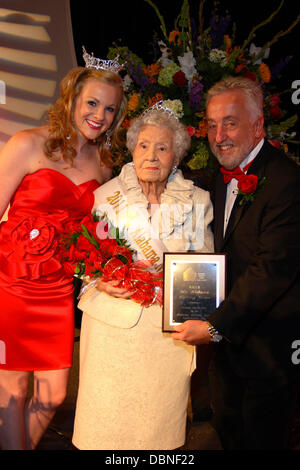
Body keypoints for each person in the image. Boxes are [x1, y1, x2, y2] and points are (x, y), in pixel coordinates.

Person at [0, 50, 127, 450]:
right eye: (92, 103)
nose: (99, 115)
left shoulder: (103, 165)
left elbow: (93, 235)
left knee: (53, 397)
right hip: (10, 287)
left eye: (110, 109)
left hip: (57, 291)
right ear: (72, 99)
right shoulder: (27, 144)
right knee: (14, 393)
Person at [72, 101, 214, 450]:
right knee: (104, 431)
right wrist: (98, 281)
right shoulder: (105, 198)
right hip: (110, 332)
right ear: (133, 150)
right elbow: (85, 264)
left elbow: (205, 268)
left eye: (163, 148)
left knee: (157, 436)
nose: (152, 156)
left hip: (166, 337)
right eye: (144, 146)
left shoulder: (198, 201)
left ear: (175, 156)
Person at [172, 76, 300, 450]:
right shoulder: (217, 178)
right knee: (229, 431)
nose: (218, 135)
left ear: (258, 125)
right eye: (212, 125)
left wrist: (213, 328)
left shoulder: (287, 182)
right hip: (229, 351)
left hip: (269, 351)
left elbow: (270, 272)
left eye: (230, 122)